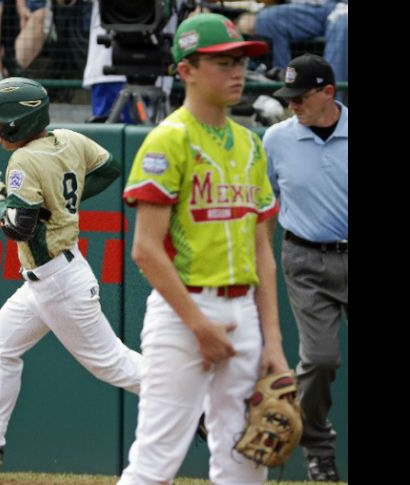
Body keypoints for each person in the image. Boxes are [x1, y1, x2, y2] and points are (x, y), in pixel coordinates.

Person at [0, 76, 142, 468]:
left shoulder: (23, 159)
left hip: (58, 280)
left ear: (20, 123)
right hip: (47, 278)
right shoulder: (68, 138)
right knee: (0, 347)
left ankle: (187, 398)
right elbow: (110, 168)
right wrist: (66, 201)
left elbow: (17, 227)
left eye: (0, 122)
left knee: (111, 363)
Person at [118, 13, 290, 484]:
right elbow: (146, 251)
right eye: (221, 62)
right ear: (186, 70)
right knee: (156, 461)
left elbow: (263, 254)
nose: (237, 72)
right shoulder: (167, 140)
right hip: (183, 314)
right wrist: (200, 327)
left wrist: (273, 341)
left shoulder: (252, 145)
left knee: (246, 463)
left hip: (245, 314)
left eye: (240, 61)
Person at [262, 53, 347, 482]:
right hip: (305, 258)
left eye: (300, 97)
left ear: (328, 92)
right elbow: (263, 207)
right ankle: (319, 450)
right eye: (288, 97)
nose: (291, 104)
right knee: (319, 360)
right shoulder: (276, 139)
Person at [254, 1, 348, 84]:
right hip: (304, 9)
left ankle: (332, 98)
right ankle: (283, 84)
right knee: (266, 18)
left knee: (343, 23)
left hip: (340, 6)